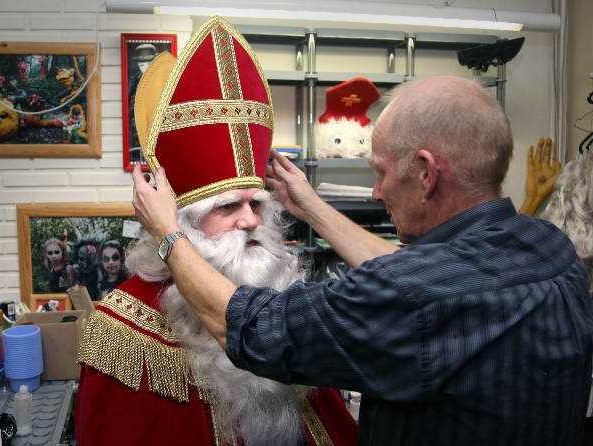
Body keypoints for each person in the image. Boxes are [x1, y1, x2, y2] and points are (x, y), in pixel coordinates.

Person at [133, 73, 593, 445]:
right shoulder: (551, 247)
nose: (375, 192)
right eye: (230, 207)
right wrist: (311, 205)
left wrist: (168, 235)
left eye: (380, 172)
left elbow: (254, 329)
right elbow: (414, 273)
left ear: (427, 173)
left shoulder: (416, 294)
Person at [75, 17, 358, 446]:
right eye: (229, 206)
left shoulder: (283, 294)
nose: (250, 221)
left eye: (256, 203)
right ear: (181, 220)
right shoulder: (122, 328)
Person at [128, 43, 158, 163]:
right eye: (141, 64)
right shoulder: (133, 81)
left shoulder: (162, 80)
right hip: (136, 130)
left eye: (148, 63)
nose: (145, 67)